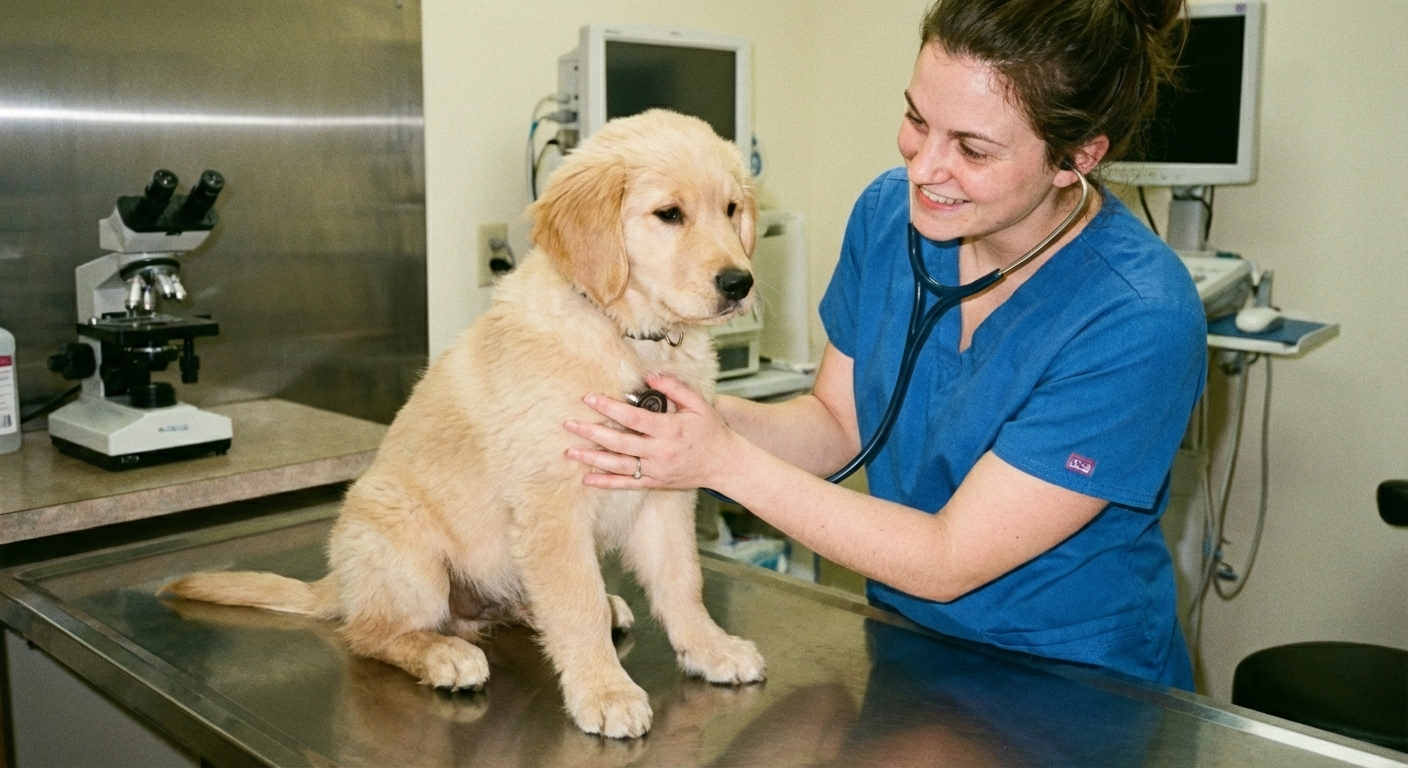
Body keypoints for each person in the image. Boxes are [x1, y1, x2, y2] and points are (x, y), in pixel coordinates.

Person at [563, 0, 1206, 690]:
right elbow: (837, 427)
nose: (924, 168)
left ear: (1077, 156)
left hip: (1074, 684)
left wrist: (720, 463)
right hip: (906, 644)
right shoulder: (887, 216)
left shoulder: (1137, 317)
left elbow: (948, 557)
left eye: (972, 148)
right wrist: (684, 415)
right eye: (916, 120)